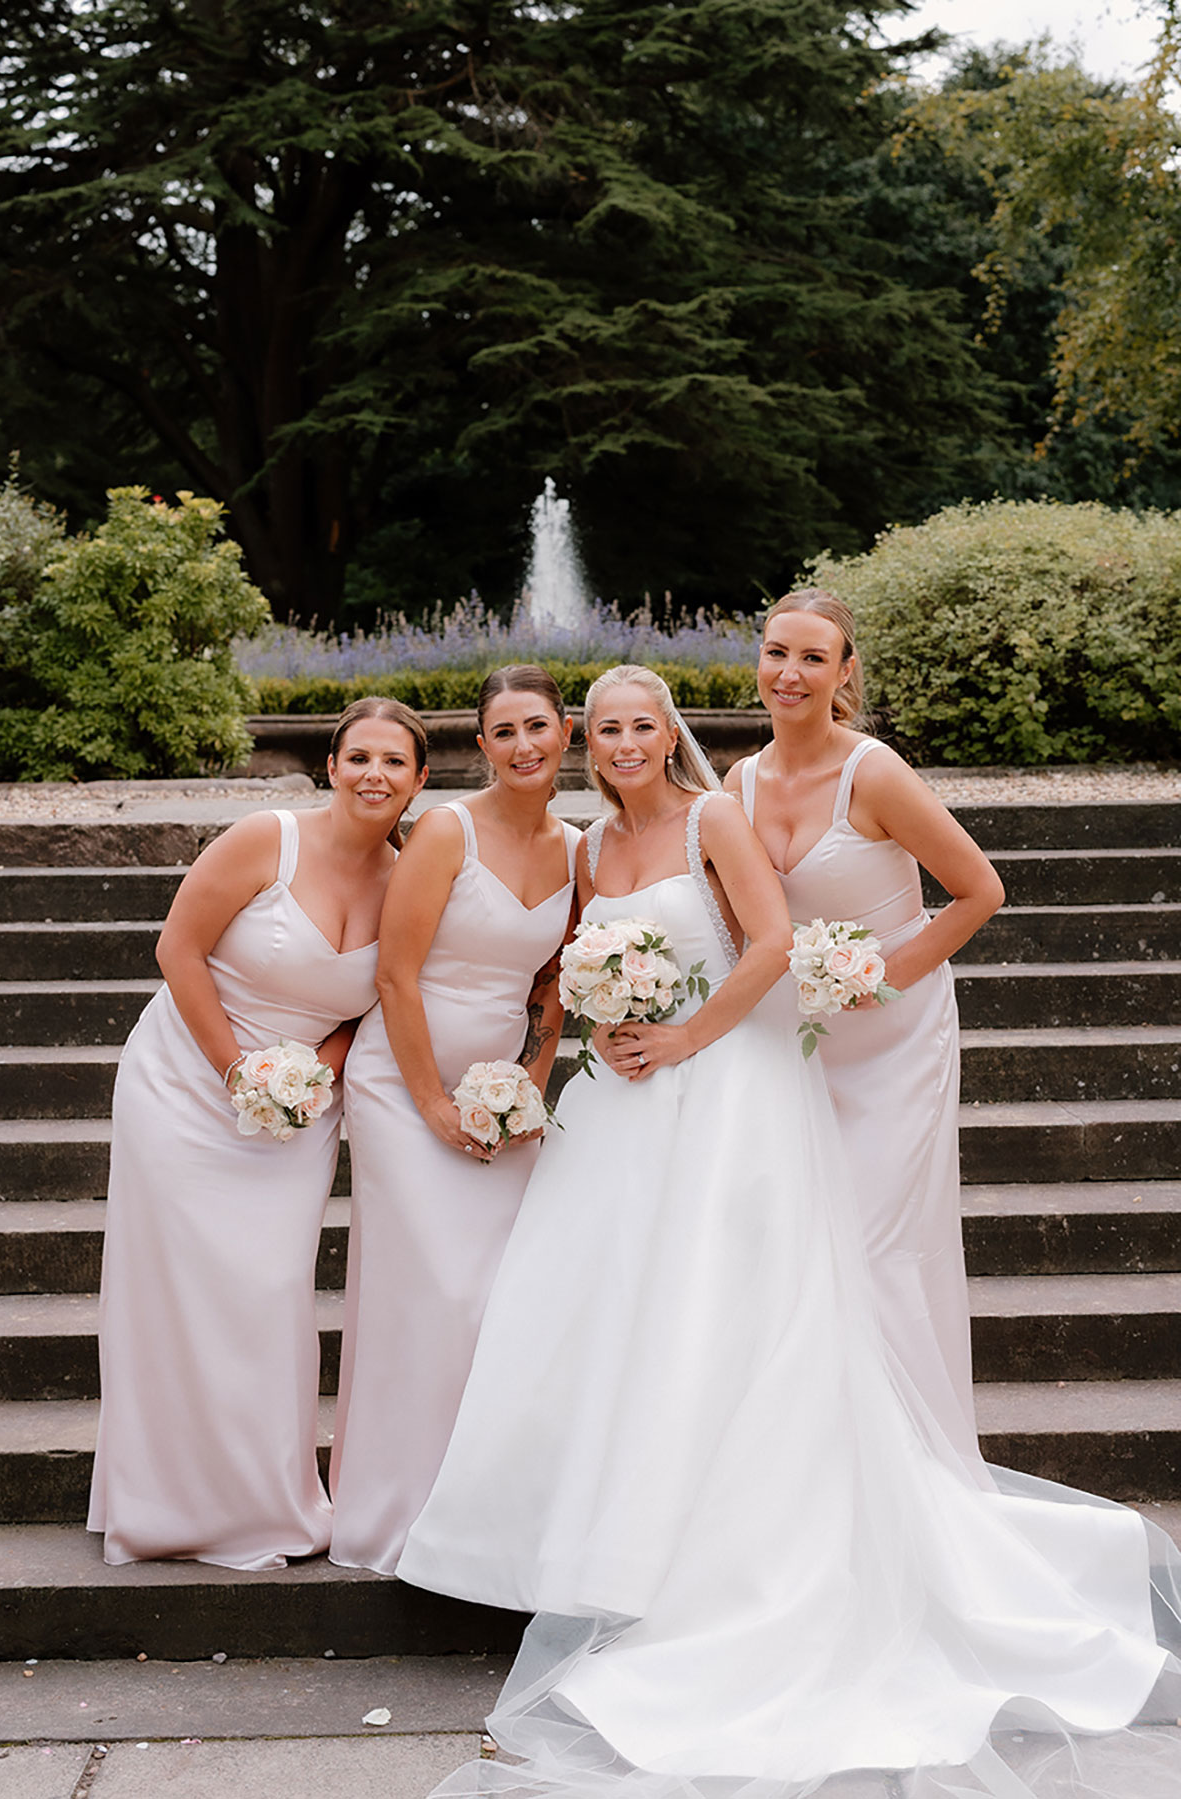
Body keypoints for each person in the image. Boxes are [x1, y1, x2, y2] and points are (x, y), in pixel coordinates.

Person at [397, 665, 1180, 1799]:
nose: (622, 742)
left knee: (728, 1317)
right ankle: (620, 1551)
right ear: (586, 741)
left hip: (726, 1092)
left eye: (641, 725)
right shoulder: (582, 848)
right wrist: (606, 1028)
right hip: (623, 1108)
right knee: (622, 1320)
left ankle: (734, 1569)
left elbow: (766, 943)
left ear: (670, 732)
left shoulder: (714, 815)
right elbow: (571, 971)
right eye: (606, 728)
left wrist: (684, 1039)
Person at [87, 697, 428, 1568]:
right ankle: (167, 1501)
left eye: (394, 761)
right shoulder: (264, 838)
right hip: (185, 1083)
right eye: (359, 757)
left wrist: (317, 1064)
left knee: (270, 1293)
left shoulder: (413, 879)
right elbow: (177, 948)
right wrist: (239, 1068)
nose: (374, 774)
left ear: (422, 779)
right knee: (180, 1298)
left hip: (299, 1110)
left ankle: (266, 1497)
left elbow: (388, 997)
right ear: (332, 766)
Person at [725, 588, 1005, 1468]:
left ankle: (909, 1470)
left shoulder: (874, 771)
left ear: (846, 671)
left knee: (874, 1247)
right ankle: (819, 1469)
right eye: (777, 653)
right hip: (795, 1044)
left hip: (895, 1041)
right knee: (802, 1249)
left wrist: (882, 978)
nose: (790, 673)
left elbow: (980, 890)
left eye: (814, 657)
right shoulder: (737, 781)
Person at [329, 665, 581, 1575]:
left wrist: (532, 1082)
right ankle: (400, 1511)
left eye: (537, 728)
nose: (522, 746)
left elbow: (553, 981)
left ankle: (491, 1514)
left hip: (502, 1100)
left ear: (565, 735)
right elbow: (396, 974)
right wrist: (431, 1098)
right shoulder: (446, 830)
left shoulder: (577, 850)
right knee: (433, 1294)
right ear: (482, 747)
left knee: (501, 1301)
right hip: (402, 1087)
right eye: (503, 732)